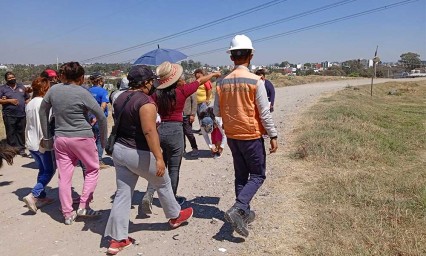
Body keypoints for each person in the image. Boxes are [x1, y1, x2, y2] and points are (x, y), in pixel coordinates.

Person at [104, 65, 193, 255]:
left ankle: (117, 239)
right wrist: (159, 158)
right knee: (163, 182)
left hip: (119, 150)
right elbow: (149, 131)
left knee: (123, 193)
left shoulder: (120, 97)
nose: (154, 83)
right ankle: (175, 216)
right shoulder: (146, 103)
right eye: (151, 80)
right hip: (137, 151)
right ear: (145, 83)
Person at [214, 35, 278, 237]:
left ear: (231, 58)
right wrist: (273, 134)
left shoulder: (221, 82)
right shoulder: (255, 81)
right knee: (258, 175)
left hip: (233, 136)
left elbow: (216, 112)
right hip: (251, 135)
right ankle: (239, 208)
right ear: (250, 56)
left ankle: (244, 212)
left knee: (241, 176)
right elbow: (264, 112)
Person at [140, 61, 221, 214]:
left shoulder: (155, 94)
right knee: (174, 168)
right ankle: (171, 200)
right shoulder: (182, 91)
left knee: (158, 164)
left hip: (159, 130)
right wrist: (214, 74)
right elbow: (200, 81)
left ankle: (149, 194)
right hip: (176, 131)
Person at [39, 61, 107, 225]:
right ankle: (84, 205)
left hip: (61, 138)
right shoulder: (83, 92)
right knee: (92, 169)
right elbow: (101, 116)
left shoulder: (53, 90)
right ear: (82, 77)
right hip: (82, 137)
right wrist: (103, 141)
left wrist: (47, 135)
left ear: (63, 75)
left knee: (64, 176)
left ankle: (68, 214)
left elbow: (43, 110)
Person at [22, 77, 56, 213]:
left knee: (42, 170)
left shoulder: (29, 103)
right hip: (43, 142)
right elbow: (48, 123)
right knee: (50, 170)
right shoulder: (44, 103)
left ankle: (41, 196)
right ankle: (34, 194)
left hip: (31, 142)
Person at [0, 72, 31, 157]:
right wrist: (9, 101)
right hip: (9, 114)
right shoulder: (2, 88)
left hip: (21, 114)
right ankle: (12, 150)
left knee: (21, 132)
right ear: (6, 79)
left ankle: (21, 149)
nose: (12, 79)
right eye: (9, 78)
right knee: (11, 132)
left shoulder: (21, 87)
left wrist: (30, 105)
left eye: (13, 77)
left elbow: (27, 98)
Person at [88, 72, 109, 169]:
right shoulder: (103, 91)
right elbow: (103, 106)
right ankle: (99, 160)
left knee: (91, 139)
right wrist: (97, 117)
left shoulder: (88, 91)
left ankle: (90, 159)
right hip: (99, 119)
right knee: (101, 139)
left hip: (89, 118)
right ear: (100, 81)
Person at [194, 68, 213, 134]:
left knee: (205, 116)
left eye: (199, 73)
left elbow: (209, 90)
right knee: (199, 116)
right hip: (197, 102)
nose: (197, 74)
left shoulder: (205, 81)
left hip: (203, 102)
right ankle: (201, 129)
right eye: (196, 73)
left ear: (202, 74)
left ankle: (207, 128)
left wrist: (207, 99)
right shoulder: (197, 81)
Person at [182, 90, 198, 157]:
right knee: (181, 134)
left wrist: (193, 114)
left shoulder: (191, 90)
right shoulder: (176, 89)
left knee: (189, 133)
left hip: (187, 115)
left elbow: (194, 103)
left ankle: (194, 148)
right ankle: (182, 149)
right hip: (178, 116)